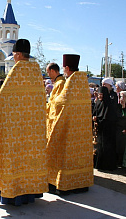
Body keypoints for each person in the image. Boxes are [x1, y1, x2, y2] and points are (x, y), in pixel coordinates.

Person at [0, 39, 48, 206]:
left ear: (18, 54)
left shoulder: (16, 71)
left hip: (14, 128)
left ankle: (11, 193)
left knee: (13, 158)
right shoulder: (36, 72)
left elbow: (3, 101)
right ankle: (29, 192)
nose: (13, 57)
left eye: (13, 54)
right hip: (32, 129)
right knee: (29, 158)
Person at [47, 54, 93, 195]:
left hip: (68, 128)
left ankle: (64, 185)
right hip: (82, 129)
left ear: (66, 68)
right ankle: (81, 183)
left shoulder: (71, 82)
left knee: (62, 153)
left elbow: (60, 102)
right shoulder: (83, 82)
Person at [93, 86, 118, 170]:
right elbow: (95, 112)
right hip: (100, 129)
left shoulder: (109, 104)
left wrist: (99, 120)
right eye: (99, 95)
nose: (100, 96)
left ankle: (107, 166)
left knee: (107, 148)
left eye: (101, 95)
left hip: (107, 131)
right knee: (99, 147)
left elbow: (109, 117)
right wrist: (94, 117)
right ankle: (98, 165)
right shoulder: (98, 102)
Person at [46, 62, 65, 137]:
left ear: (52, 71)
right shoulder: (58, 82)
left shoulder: (60, 83)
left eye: (48, 72)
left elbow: (56, 103)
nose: (48, 75)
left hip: (54, 117)